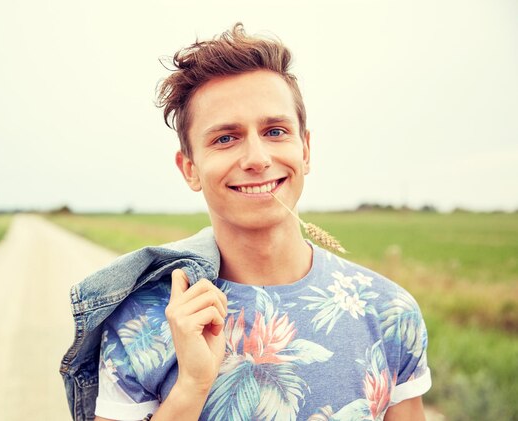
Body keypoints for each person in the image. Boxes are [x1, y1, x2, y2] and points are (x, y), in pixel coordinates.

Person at [65, 23, 431, 421]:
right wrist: (192, 387)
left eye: (275, 131)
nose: (257, 158)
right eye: (225, 138)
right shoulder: (142, 323)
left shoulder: (390, 311)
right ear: (189, 168)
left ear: (305, 149)